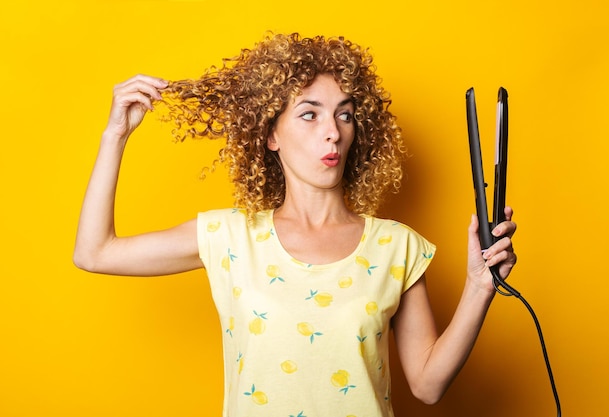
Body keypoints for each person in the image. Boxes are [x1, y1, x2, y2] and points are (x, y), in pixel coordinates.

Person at [74, 32, 517, 417]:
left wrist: (479, 287)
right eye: (310, 114)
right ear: (271, 135)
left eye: (344, 115)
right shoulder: (230, 237)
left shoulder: (395, 247)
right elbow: (94, 252)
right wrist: (114, 136)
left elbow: (427, 384)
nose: (333, 132)